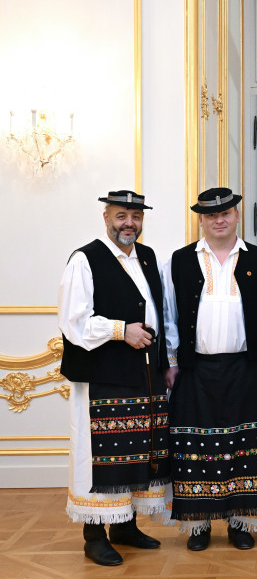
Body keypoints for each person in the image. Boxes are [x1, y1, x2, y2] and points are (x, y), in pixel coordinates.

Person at [162, 187, 257, 551]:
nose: (219, 220)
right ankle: (198, 524)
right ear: (201, 220)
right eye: (211, 215)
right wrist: (171, 361)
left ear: (236, 216)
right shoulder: (179, 261)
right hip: (194, 369)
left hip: (245, 367)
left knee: (243, 448)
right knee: (195, 447)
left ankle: (239, 522)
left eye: (225, 213)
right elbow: (168, 315)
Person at [58, 190, 171, 566]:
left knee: (134, 453)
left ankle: (125, 526)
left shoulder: (148, 257)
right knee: (99, 458)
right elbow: (73, 321)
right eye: (121, 215)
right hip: (101, 377)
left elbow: (158, 311)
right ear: (106, 217)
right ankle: (94, 536)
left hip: (144, 375)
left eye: (136, 217)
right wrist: (122, 330)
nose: (129, 223)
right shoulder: (85, 259)